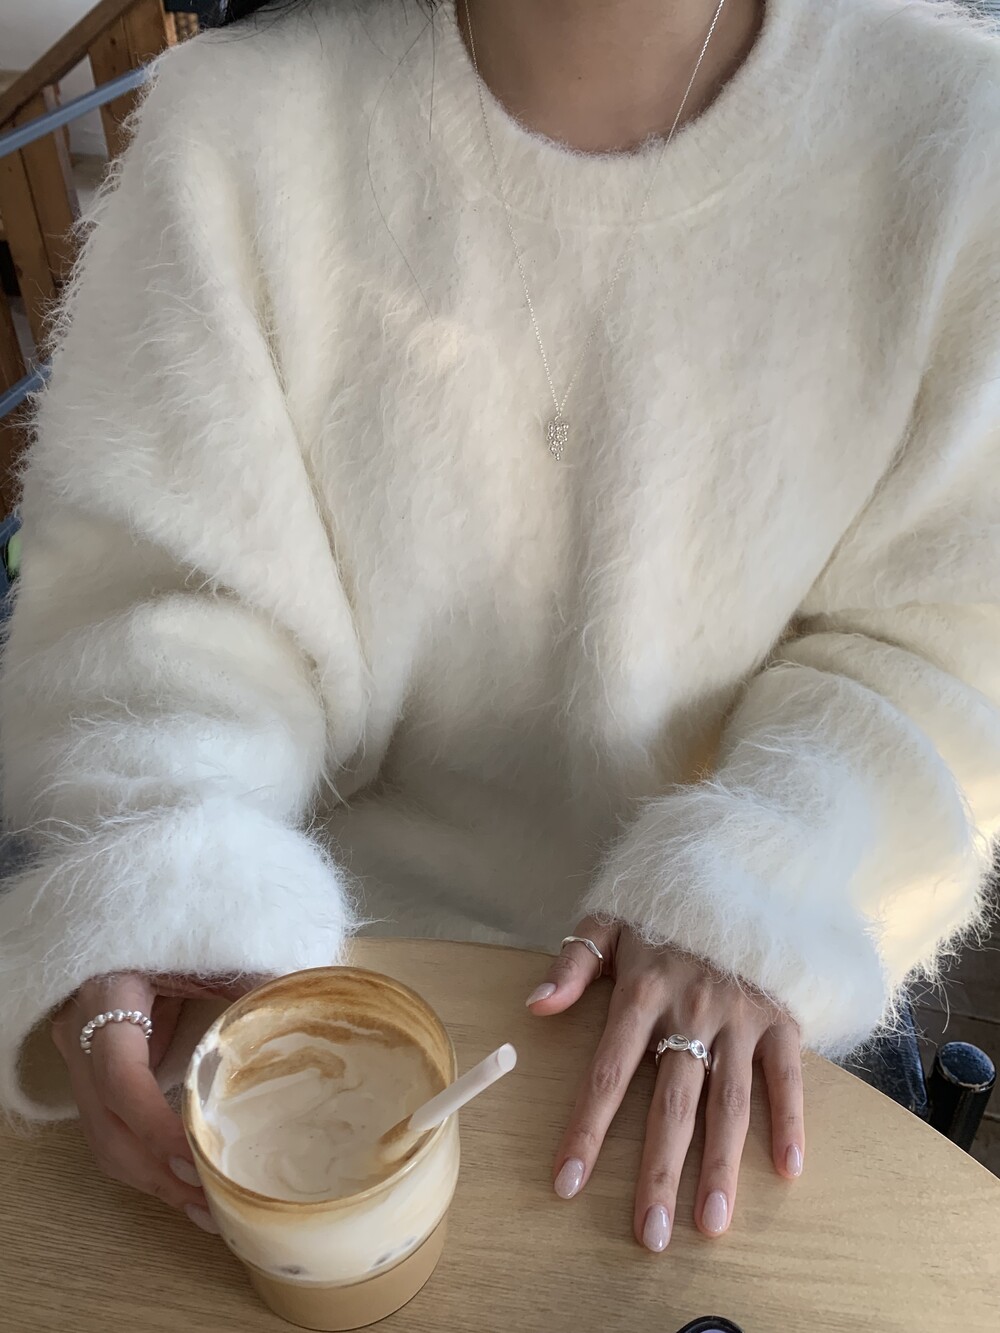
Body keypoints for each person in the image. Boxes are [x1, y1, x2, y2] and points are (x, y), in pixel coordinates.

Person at [0, 0, 997, 1256]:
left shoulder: (962, 144)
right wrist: (161, 875)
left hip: (759, 1001)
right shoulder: (233, 133)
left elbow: (946, 644)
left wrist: (764, 881)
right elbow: (176, 610)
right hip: (303, 984)